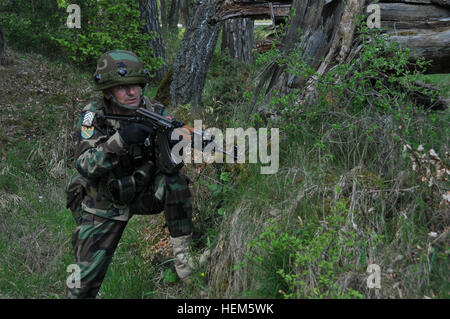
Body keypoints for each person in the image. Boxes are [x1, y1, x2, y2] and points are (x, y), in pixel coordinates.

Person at [66, 50, 196, 298]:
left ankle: (185, 260)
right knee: (81, 287)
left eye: (136, 85)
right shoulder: (93, 115)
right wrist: (121, 140)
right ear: (107, 91)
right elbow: (84, 165)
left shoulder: (153, 110)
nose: (132, 92)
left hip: (141, 190)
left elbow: (169, 164)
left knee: (175, 181)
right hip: (101, 202)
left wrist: (176, 143)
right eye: (123, 87)